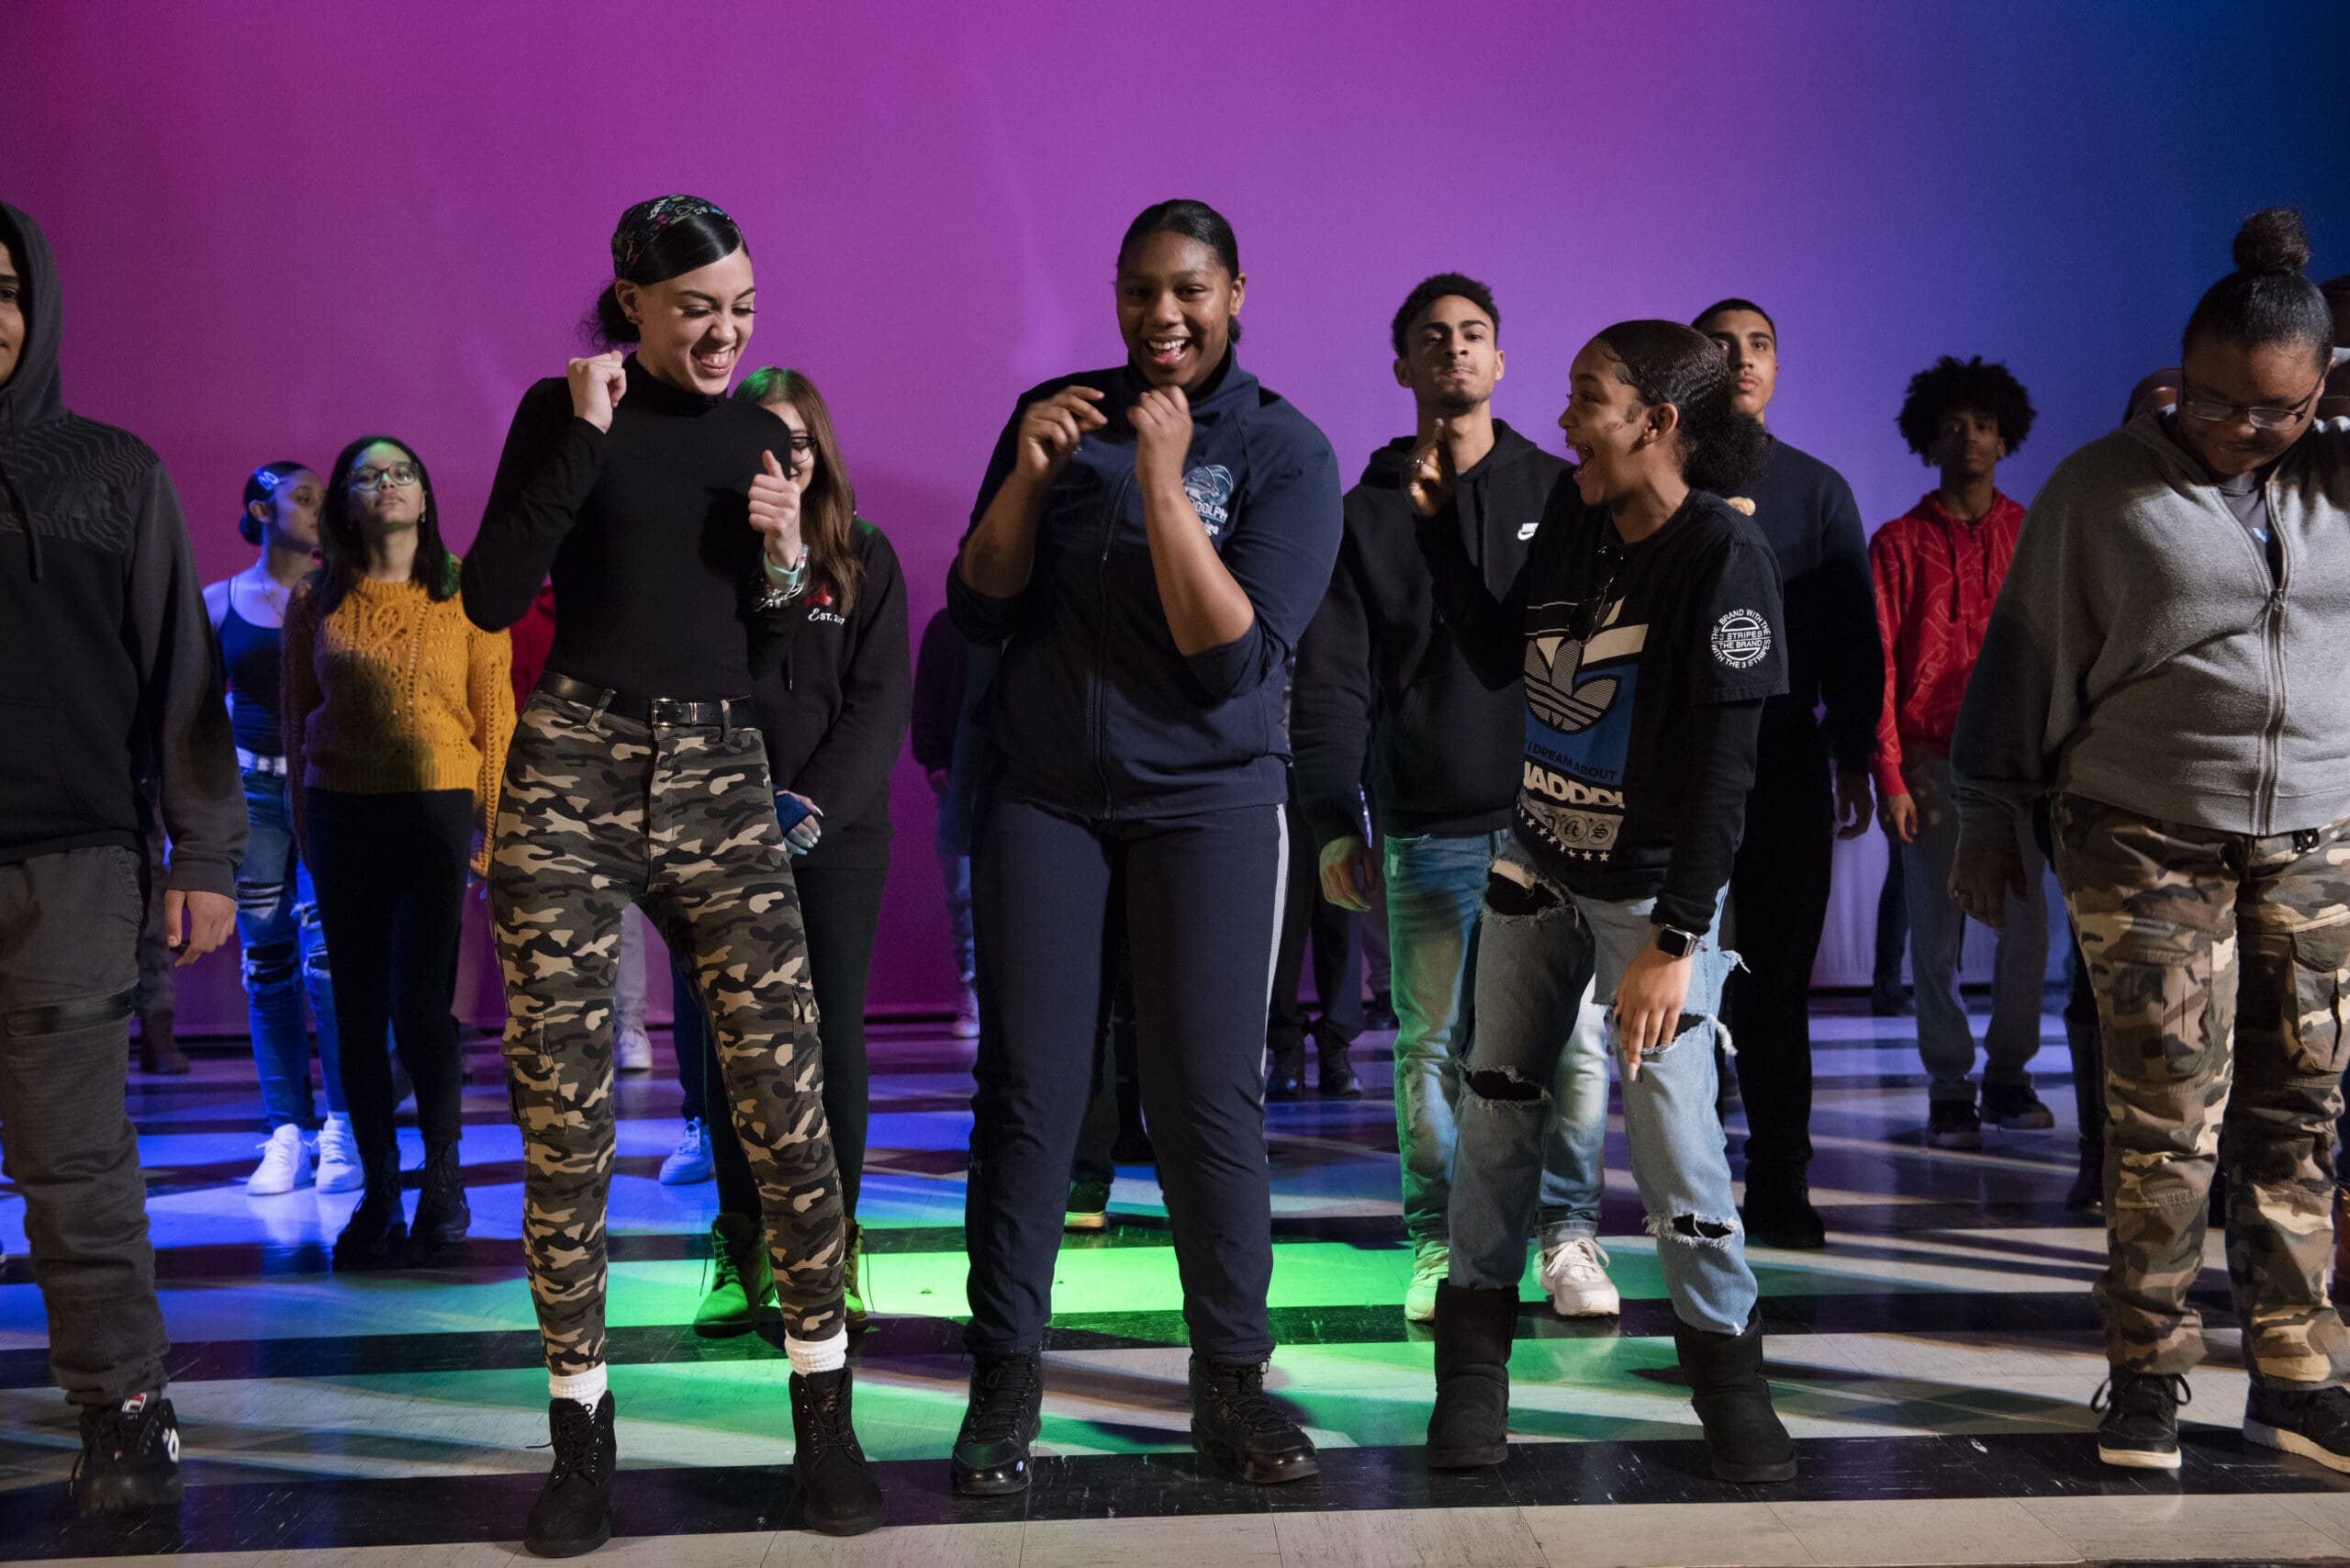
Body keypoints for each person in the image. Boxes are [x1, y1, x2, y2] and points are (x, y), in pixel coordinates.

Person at [462, 195, 882, 1549]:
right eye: (699, 306)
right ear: (633, 300)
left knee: (785, 1096)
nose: (726, 330)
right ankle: (581, 1441)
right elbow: (487, 591)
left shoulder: (765, 436)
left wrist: (775, 556)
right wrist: (581, 443)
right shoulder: (561, 410)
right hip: (573, 761)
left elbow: (759, 661)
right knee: (564, 1119)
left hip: (715, 767)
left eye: (744, 308)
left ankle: (826, 1421)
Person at [948, 198, 1341, 1495]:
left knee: (1203, 1099)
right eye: (1137, 293)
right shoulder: (1059, 414)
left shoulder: (1287, 453)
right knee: (1028, 1095)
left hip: (1211, 802)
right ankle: (1004, 1384)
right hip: (1046, 798)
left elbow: (1230, 657)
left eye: (1187, 291)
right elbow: (980, 598)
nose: (1160, 316)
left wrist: (1167, 483)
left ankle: (1230, 1388)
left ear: (1236, 292)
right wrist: (1022, 472)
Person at [1951, 208, 2350, 1474]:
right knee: (2167, 1109)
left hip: (2318, 828)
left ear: (2322, 389)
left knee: (2299, 1106)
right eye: (2220, 399)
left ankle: (2297, 1366)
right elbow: (2022, 666)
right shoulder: (2101, 487)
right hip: (2144, 827)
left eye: (2278, 408)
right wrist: (1989, 817)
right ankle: (2149, 1369)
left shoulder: (2337, 471)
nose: (2243, 428)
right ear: (2179, 371)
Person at [1413, 319, 1796, 1486]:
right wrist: (1435, 539)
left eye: (1589, 399)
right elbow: (1496, 654)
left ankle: (1731, 1384)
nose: (1565, 419)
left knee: (1677, 1147)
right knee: (1495, 1119)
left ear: (1659, 423)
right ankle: (1471, 1383)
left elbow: (1731, 780)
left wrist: (1677, 942)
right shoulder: (1579, 522)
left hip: (1652, 902)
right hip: (1537, 869)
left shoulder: (1724, 563)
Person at [1292, 273, 1618, 1324]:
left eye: (1474, 333)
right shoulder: (1365, 514)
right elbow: (1335, 676)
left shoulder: (1561, 492)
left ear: (1501, 359)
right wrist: (1334, 817)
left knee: (1570, 1039)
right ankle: (1437, 1241)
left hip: (1556, 819)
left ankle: (1567, 1234)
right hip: (1425, 817)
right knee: (1431, 1045)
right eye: (1432, 337)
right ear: (1402, 366)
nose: (1454, 350)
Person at [0, 200, 242, 1514]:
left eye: (0, 290)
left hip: (73, 870)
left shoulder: (111, 473)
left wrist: (203, 853)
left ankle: (125, 1409)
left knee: (73, 1161)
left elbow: (181, 684)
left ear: (35, 308)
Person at [677, 365, 911, 1338]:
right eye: (765, 446)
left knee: (827, 1038)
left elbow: (875, 706)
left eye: (800, 444)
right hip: (722, 827)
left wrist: (807, 803)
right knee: (731, 1043)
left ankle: (834, 1242)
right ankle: (742, 1245)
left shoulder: (862, 555)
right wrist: (744, 805)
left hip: (836, 833)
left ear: (821, 455)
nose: (786, 461)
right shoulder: (701, 559)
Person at [283, 435, 511, 1268]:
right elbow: (295, 718)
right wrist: (305, 831)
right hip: (342, 815)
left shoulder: (465, 594)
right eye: (367, 477)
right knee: (354, 1010)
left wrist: (493, 833)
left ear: (425, 494)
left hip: (437, 812)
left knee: (421, 1006)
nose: (387, 485)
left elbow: (496, 722)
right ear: (346, 501)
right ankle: (380, 1187)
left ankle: (443, 1182)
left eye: (403, 472)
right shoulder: (316, 600)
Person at [1693, 298, 1882, 1249]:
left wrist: (1855, 753)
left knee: (1771, 989)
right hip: (1674, 766)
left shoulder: (1815, 488)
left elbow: (1853, 635)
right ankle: (1684, 1178)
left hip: (1783, 761)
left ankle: (1777, 1179)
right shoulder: (1656, 477)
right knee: (1676, 986)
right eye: (1721, 348)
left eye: (1759, 345)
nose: (1741, 361)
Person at [1871, 355, 2049, 1151]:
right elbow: (1876, 663)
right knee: (1934, 936)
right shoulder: (1898, 543)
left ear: (2004, 437)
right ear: (1928, 438)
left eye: (1982, 423)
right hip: (1932, 762)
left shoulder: (2032, 536)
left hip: (2020, 768)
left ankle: (2009, 1077)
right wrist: (1888, 775)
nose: (1968, 437)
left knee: (2026, 929)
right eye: (1952, 424)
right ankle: (1950, 1085)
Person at [206, 462, 361, 1195]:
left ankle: (346, 1128)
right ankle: (284, 1132)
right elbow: (191, 719)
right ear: (260, 511)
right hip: (252, 798)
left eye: (322, 500)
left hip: (326, 793)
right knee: (266, 964)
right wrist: (193, 826)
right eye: (301, 498)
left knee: (332, 964)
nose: (316, 510)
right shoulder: (218, 604)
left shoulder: (345, 596)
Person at [505, 584, 655, 1075]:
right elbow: (517, 691)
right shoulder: (532, 616)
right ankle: (559, 1030)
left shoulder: (627, 608)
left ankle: (628, 1025)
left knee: (622, 907)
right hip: (548, 773)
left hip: (619, 770)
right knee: (548, 906)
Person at [1267, 655, 1364, 1099]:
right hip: (1276, 767)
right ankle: (1285, 1047)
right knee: (1282, 921)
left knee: (1342, 918)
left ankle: (1335, 1047)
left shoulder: (1339, 592)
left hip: (1338, 769)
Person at [912, 607, 982, 1038]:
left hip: (1016, 778)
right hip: (958, 782)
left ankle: (1002, 996)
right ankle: (971, 991)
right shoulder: (945, 624)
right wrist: (934, 759)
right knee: (963, 894)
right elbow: (926, 696)